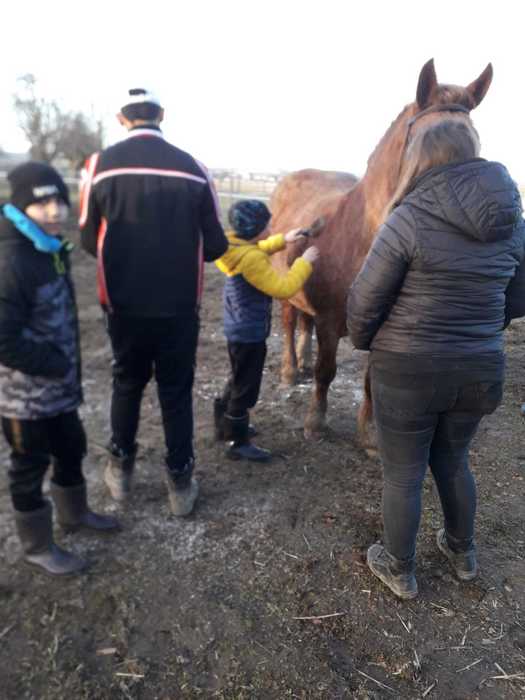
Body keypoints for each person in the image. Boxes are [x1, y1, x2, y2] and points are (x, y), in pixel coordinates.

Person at [347, 119, 525, 600]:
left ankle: (399, 568)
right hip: (479, 367)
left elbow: (364, 301)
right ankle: (462, 553)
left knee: (404, 473)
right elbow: (518, 297)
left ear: (422, 159)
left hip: (408, 369)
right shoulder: (512, 220)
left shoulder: (408, 217)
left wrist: (365, 340)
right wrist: (479, 332)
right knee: (454, 459)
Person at [79, 88, 228, 516]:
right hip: (179, 306)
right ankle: (180, 482)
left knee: (126, 382)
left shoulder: (99, 165)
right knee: (176, 390)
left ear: (120, 118)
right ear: (161, 114)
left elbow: (88, 238)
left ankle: (120, 470)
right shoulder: (195, 169)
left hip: (123, 305)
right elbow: (216, 246)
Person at [0, 162, 119, 576]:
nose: (54, 211)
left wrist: (63, 370)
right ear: (21, 207)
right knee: (29, 466)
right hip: (23, 398)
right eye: (42, 203)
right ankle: (37, 546)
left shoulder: (48, 248)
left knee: (71, 447)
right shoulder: (13, 259)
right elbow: (3, 339)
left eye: (59, 201)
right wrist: (54, 363)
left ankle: (74, 513)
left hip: (58, 388)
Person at [215, 199, 319, 461]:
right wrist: (304, 262)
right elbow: (283, 289)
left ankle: (224, 422)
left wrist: (284, 240)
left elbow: (255, 249)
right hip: (250, 333)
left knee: (238, 377)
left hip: (237, 327)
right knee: (246, 387)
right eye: (267, 226)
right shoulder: (252, 261)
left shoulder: (233, 246)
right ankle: (237, 441)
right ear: (255, 230)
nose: (271, 228)